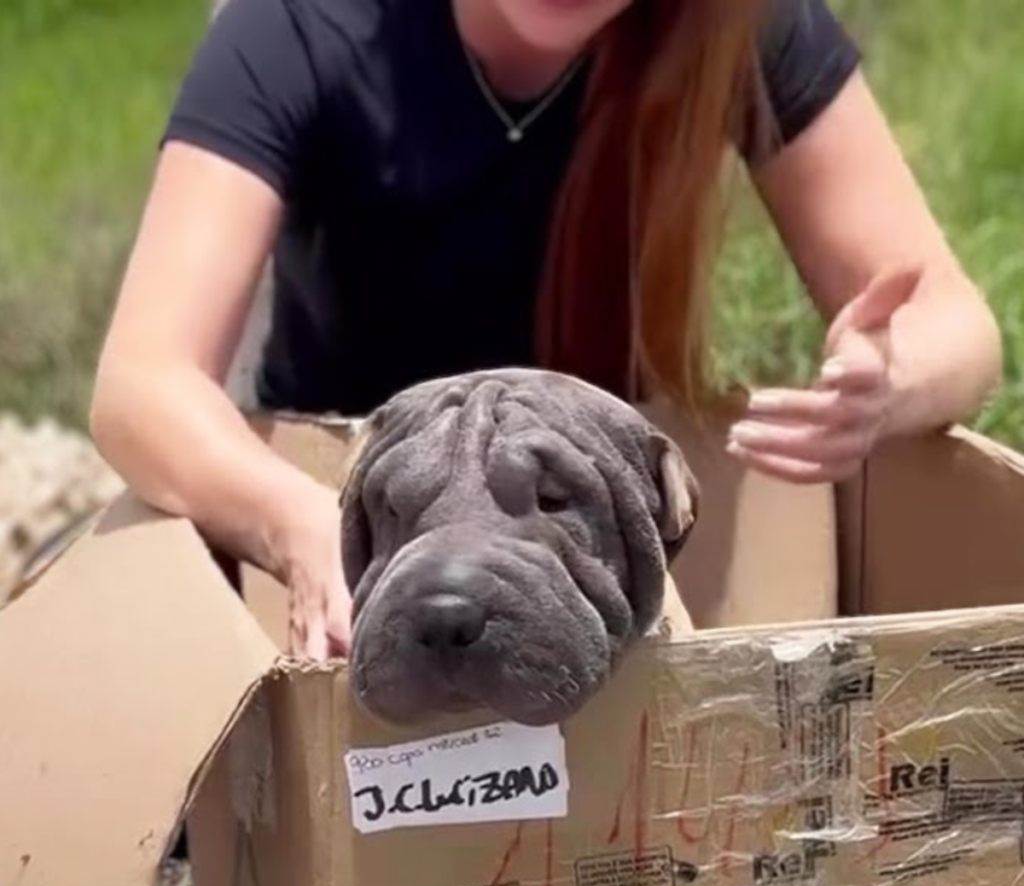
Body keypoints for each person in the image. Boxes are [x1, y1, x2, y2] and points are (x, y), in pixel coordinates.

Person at [90, 0, 1001, 667]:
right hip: (365, 549)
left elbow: (956, 327)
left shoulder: (733, 24)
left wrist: (888, 378)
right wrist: (300, 524)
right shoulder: (300, 27)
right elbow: (142, 385)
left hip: (588, 556)